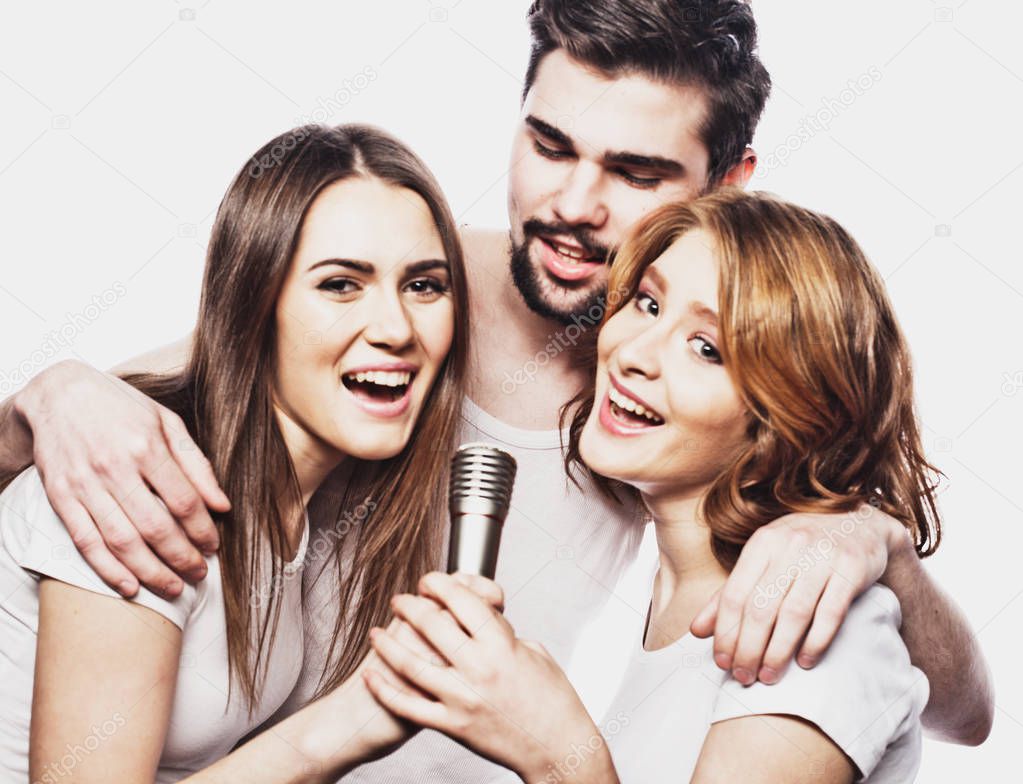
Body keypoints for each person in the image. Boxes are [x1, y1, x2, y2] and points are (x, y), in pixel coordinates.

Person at [0, 1, 992, 780]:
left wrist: (881, 548)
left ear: (726, 186)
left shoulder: (678, 412)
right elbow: (194, 391)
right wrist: (50, 393)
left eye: (636, 171)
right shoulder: (408, 293)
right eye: (551, 145)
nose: (572, 205)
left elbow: (963, 712)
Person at [365, 189, 937, 783]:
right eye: (647, 303)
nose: (633, 353)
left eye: (706, 348)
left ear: (790, 415)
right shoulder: (647, 596)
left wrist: (554, 747)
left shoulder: (810, 631)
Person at [0, 123, 485, 783]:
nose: (396, 328)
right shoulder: (142, 490)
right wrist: (339, 729)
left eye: (423, 285)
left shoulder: (292, 511)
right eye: (341, 284)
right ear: (257, 304)